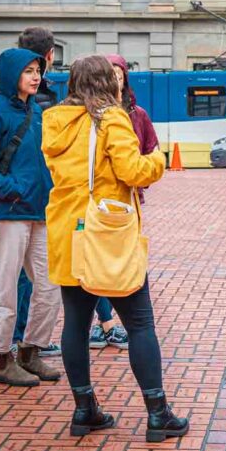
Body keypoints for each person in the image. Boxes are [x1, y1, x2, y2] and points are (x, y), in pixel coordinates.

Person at [42, 55, 188, 441]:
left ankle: (84, 409)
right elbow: (132, 171)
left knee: (75, 323)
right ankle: (158, 414)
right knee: (140, 324)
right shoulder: (111, 118)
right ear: (106, 82)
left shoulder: (55, 120)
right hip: (105, 233)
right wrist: (157, 159)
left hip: (67, 231)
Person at [0, 49, 62, 386]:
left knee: (50, 286)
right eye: (28, 71)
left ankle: (30, 352)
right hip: (8, 212)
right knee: (4, 287)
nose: (36, 77)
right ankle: (2, 359)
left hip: (39, 212)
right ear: (11, 75)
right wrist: (11, 189)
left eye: (38, 70)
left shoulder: (35, 112)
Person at [87, 54, 159, 351]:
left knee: (124, 263)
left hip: (130, 200)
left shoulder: (137, 114)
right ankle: (106, 324)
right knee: (100, 265)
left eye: (119, 74)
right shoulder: (93, 116)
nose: (115, 79)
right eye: (109, 75)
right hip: (101, 206)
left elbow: (149, 147)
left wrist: (144, 166)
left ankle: (112, 322)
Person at [12, 26, 61, 358]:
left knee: (24, 275)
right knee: (33, 276)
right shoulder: (42, 99)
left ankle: (22, 338)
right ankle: (25, 339)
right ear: (50, 55)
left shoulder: (14, 95)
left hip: (23, 198)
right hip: (33, 199)